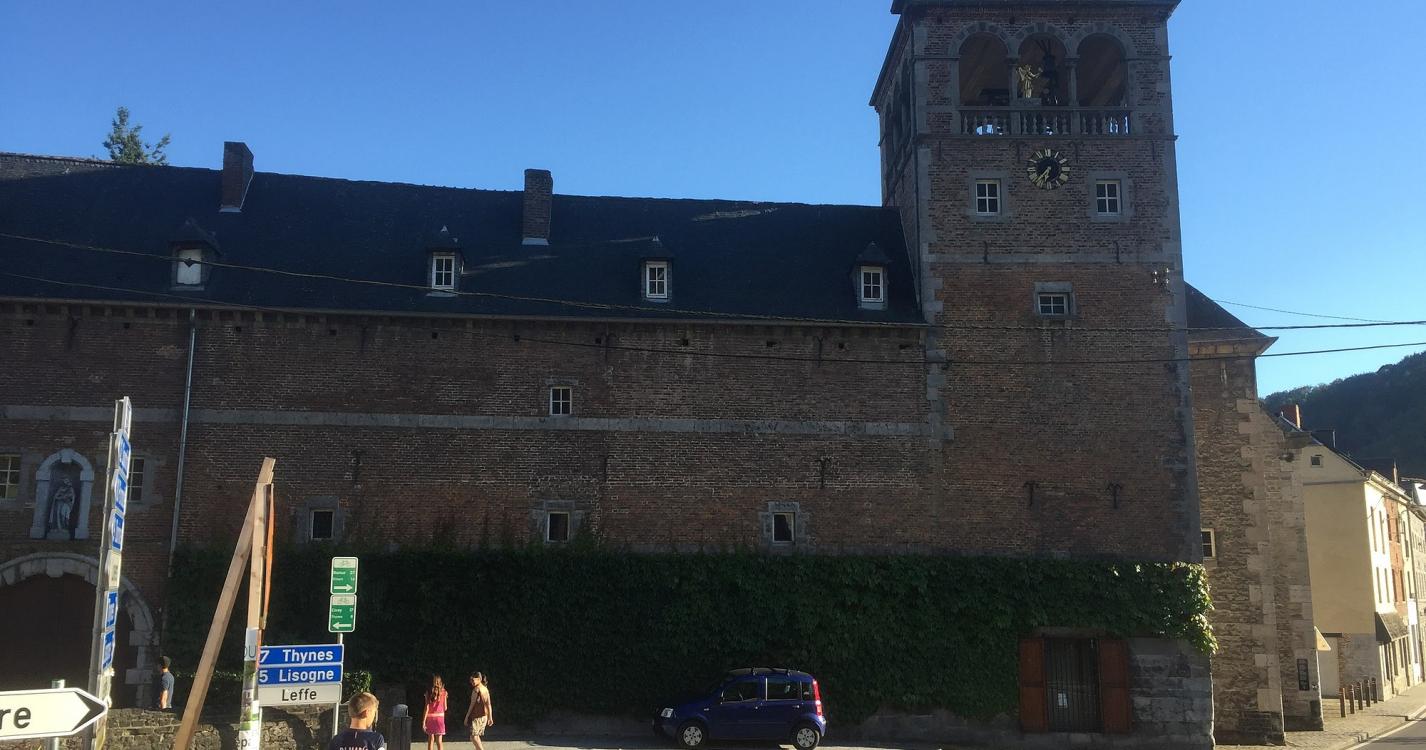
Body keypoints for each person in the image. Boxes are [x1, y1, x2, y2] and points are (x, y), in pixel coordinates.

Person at [463, 672, 493, 750]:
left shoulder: (476, 690)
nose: (471, 682)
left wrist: (466, 717)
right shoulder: (485, 689)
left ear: (479, 679)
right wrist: (490, 717)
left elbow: (472, 704)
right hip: (484, 716)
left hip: (477, 717)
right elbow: (489, 704)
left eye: (473, 680)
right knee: (476, 736)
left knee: (473, 737)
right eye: (471, 680)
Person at [422, 674, 448, 750]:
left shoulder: (428, 693)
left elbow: (426, 708)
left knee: (431, 739)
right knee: (439, 741)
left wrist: (423, 721)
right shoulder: (444, 692)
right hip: (440, 718)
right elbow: (445, 708)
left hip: (430, 718)